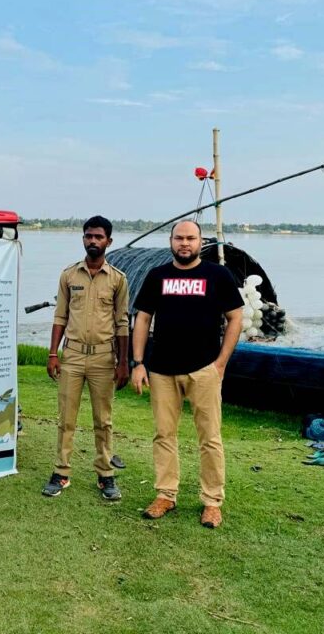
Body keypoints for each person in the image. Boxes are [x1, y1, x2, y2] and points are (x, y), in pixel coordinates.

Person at [129, 220, 243, 528]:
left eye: (190, 238)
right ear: (171, 241)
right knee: (164, 434)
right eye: (179, 238)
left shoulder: (218, 275)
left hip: (204, 369)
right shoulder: (157, 275)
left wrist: (221, 363)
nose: (184, 243)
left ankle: (212, 501)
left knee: (210, 437)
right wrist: (138, 363)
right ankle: (166, 494)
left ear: (200, 242)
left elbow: (235, 318)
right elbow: (142, 319)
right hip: (162, 370)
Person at [42, 215, 130, 500]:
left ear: (108, 241)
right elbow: (60, 316)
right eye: (89, 236)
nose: (93, 241)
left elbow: (122, 322)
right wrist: (53, 353)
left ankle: (105, 475)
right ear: (83, 239)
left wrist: (123, 363)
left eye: (98, 237)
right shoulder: (69, 275)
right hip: (73, 356)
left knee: (103, 420)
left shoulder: (118, 279)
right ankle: (61, 472)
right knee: (66, 418)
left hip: (103, 359)